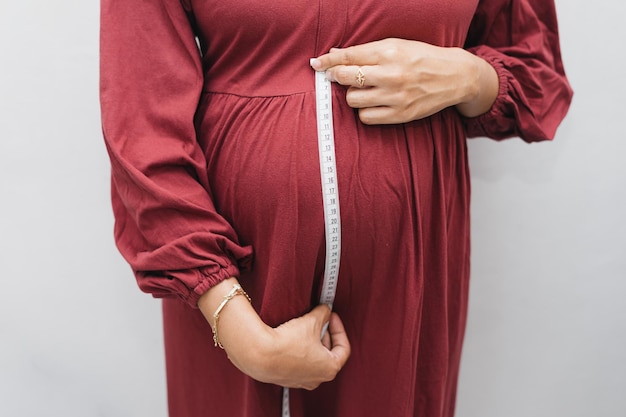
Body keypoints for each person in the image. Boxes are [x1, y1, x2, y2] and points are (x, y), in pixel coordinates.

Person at [99, 0, 572, 416]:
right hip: (231, 284)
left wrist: (469, 77)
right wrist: (241, 332)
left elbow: (534, 68)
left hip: (409, 271)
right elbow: (141, 128)